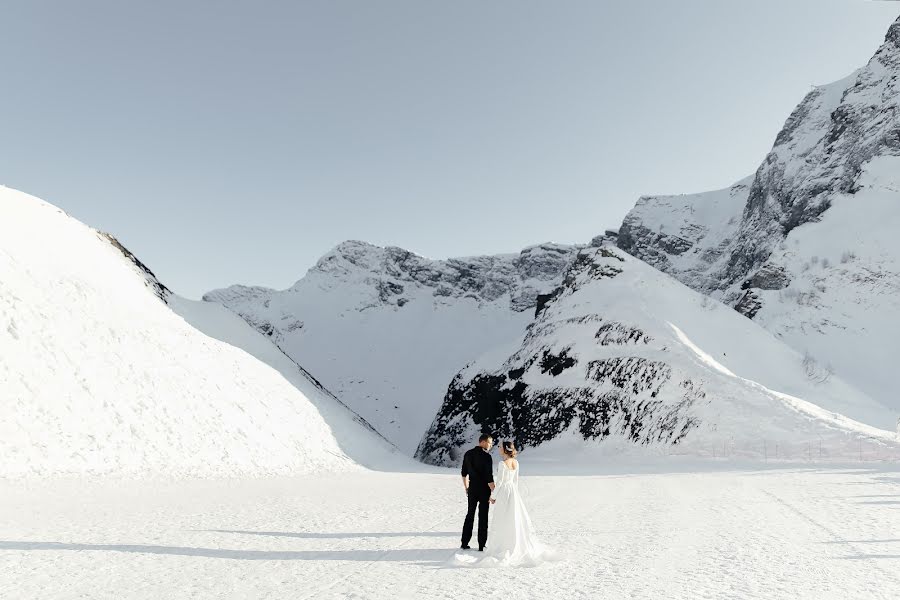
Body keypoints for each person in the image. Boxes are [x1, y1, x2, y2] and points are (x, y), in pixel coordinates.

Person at [454, 440, 560, 567]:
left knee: (500, 518)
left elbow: (500, 483)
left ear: (505, 449)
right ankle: (503, 543)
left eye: (499, 446)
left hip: (503, 492)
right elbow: (515, 481)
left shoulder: (502, 463)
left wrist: (493, 497)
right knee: (512, 518)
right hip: (513, 492)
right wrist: (514, 494)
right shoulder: (516, 462)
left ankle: (498, 545)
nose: (497, 448)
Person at [460, 434, 495, 551]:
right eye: (490, 443)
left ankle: (464, 542)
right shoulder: (487, 457)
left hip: (472, 489)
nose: (491, 445)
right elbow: (489, 477)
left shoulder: (468, 454)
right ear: (483, 442)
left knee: (470, 514)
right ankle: (481, 545)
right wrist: (494, 492)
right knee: (483, 516)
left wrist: (466, 487)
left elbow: (464, 473)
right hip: (484, 490)